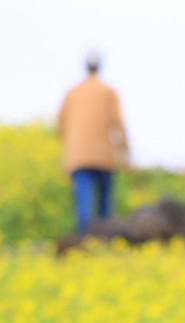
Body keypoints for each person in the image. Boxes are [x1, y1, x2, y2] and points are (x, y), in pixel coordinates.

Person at [57, 51, 129, 232]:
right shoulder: (108, 91)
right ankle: (105, 240)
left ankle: (84, 238)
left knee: (83, 202)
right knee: (104, 203)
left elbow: (60, 125)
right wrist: (124, 149)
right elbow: (118, 123)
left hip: (78, 156)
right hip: (103, 155)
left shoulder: (72, 92)